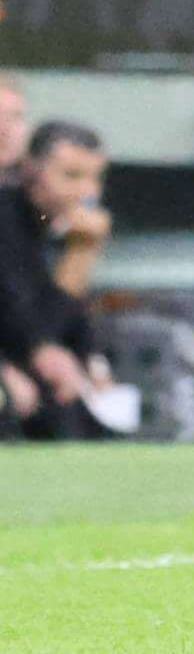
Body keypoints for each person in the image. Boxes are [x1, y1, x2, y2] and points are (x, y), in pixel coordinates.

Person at [0, 116, 114, 436]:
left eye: (95, 178)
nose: (87, 192)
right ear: (31, 170)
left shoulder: (57, 230)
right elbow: (25, 321)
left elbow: (65, 324)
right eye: (71, 176)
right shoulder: (6, 218)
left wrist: (93, 362)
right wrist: (82, 251)